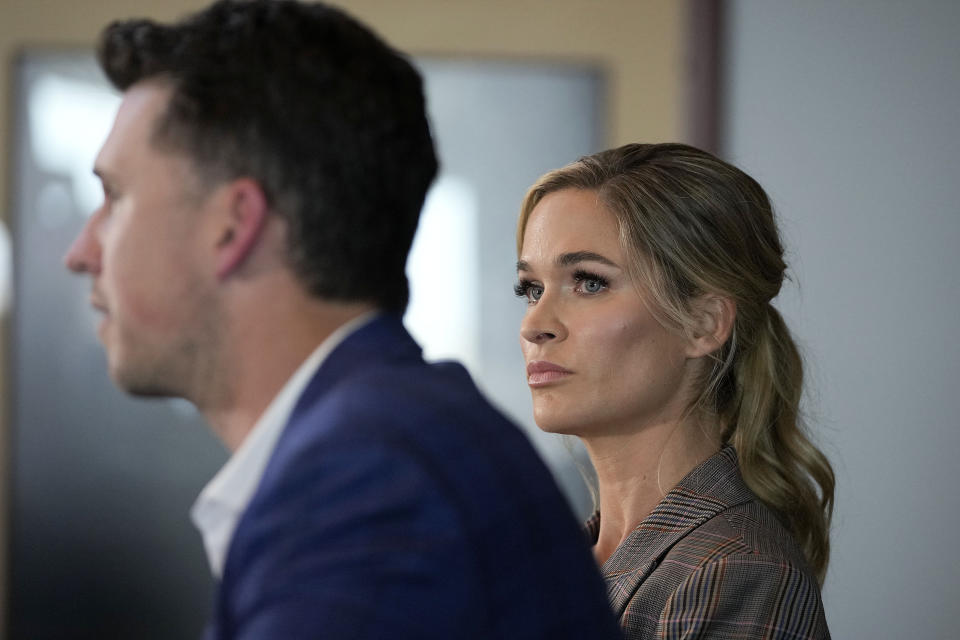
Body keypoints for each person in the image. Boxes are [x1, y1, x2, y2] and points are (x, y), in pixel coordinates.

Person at [63, 1, 623, 638]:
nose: (80, 252)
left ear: (232, 226)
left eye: (114, 197)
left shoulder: (369, 491)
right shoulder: (396, 441)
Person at [515, 143, 834, 639]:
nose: (535, 323)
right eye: (532, 288)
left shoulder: (735, 572)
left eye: (589, 283)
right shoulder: (560, 566)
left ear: (703, 323)